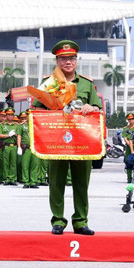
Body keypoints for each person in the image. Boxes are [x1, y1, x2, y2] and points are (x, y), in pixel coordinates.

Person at [33, 40, 100, 236]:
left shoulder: (87, 84)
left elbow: (97, 109)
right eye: (63, 59)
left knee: (81, 183)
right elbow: (37, 109)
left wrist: (91, 108)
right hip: (56, 141)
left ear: (76, 61)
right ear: (57, 61)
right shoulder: (49, 83)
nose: (67, 62)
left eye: (71, 58)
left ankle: (81, 221)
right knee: (56, 182)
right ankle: (58, 221)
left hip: (82, 142)